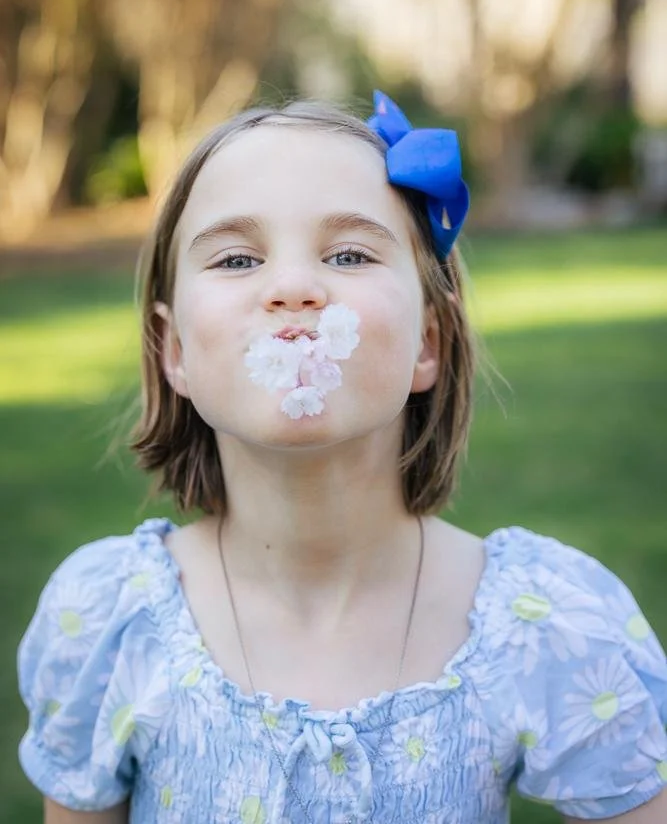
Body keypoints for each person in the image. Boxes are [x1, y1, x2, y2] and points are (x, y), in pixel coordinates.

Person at [17, 92, 667, 824]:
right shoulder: (105, 622)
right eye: (237, 258)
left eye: (349, 254)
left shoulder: (549, 626)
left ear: (428, 342)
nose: (294, 288)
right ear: (176, 352)